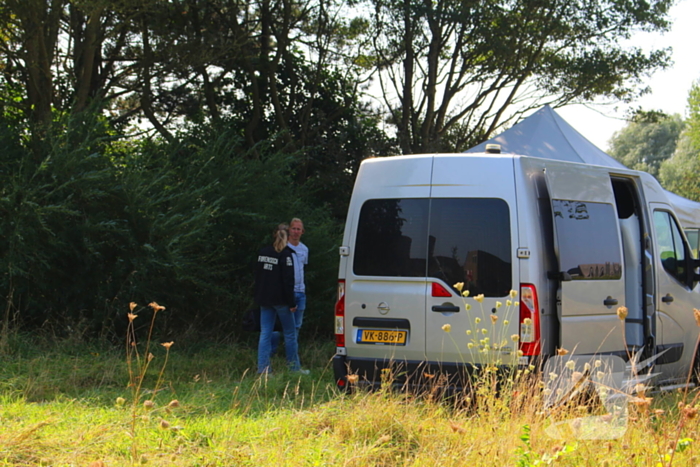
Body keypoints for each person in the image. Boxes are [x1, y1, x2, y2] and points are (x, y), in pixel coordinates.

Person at [254, 224, 306, 374]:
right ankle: (294, 368)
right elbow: (288, 281)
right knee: (290, 333)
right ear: (287, 236)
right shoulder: (286, 254)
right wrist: (291, 303)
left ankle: (263, 370)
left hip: (265, 300)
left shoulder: (263, 252)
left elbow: (258, 276)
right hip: (281, 301)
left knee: (265, 333)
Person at [287, 218, 309, 339]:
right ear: (289, 230)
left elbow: (303, 267)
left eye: (298, 229)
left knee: (297, 325)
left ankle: (292, 353)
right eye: (293, 228)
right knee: (281, 324)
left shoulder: (304, 249)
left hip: (300, 291)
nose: (295, 231)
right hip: (286, 291)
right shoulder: (283, 247)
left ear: (302, 232)